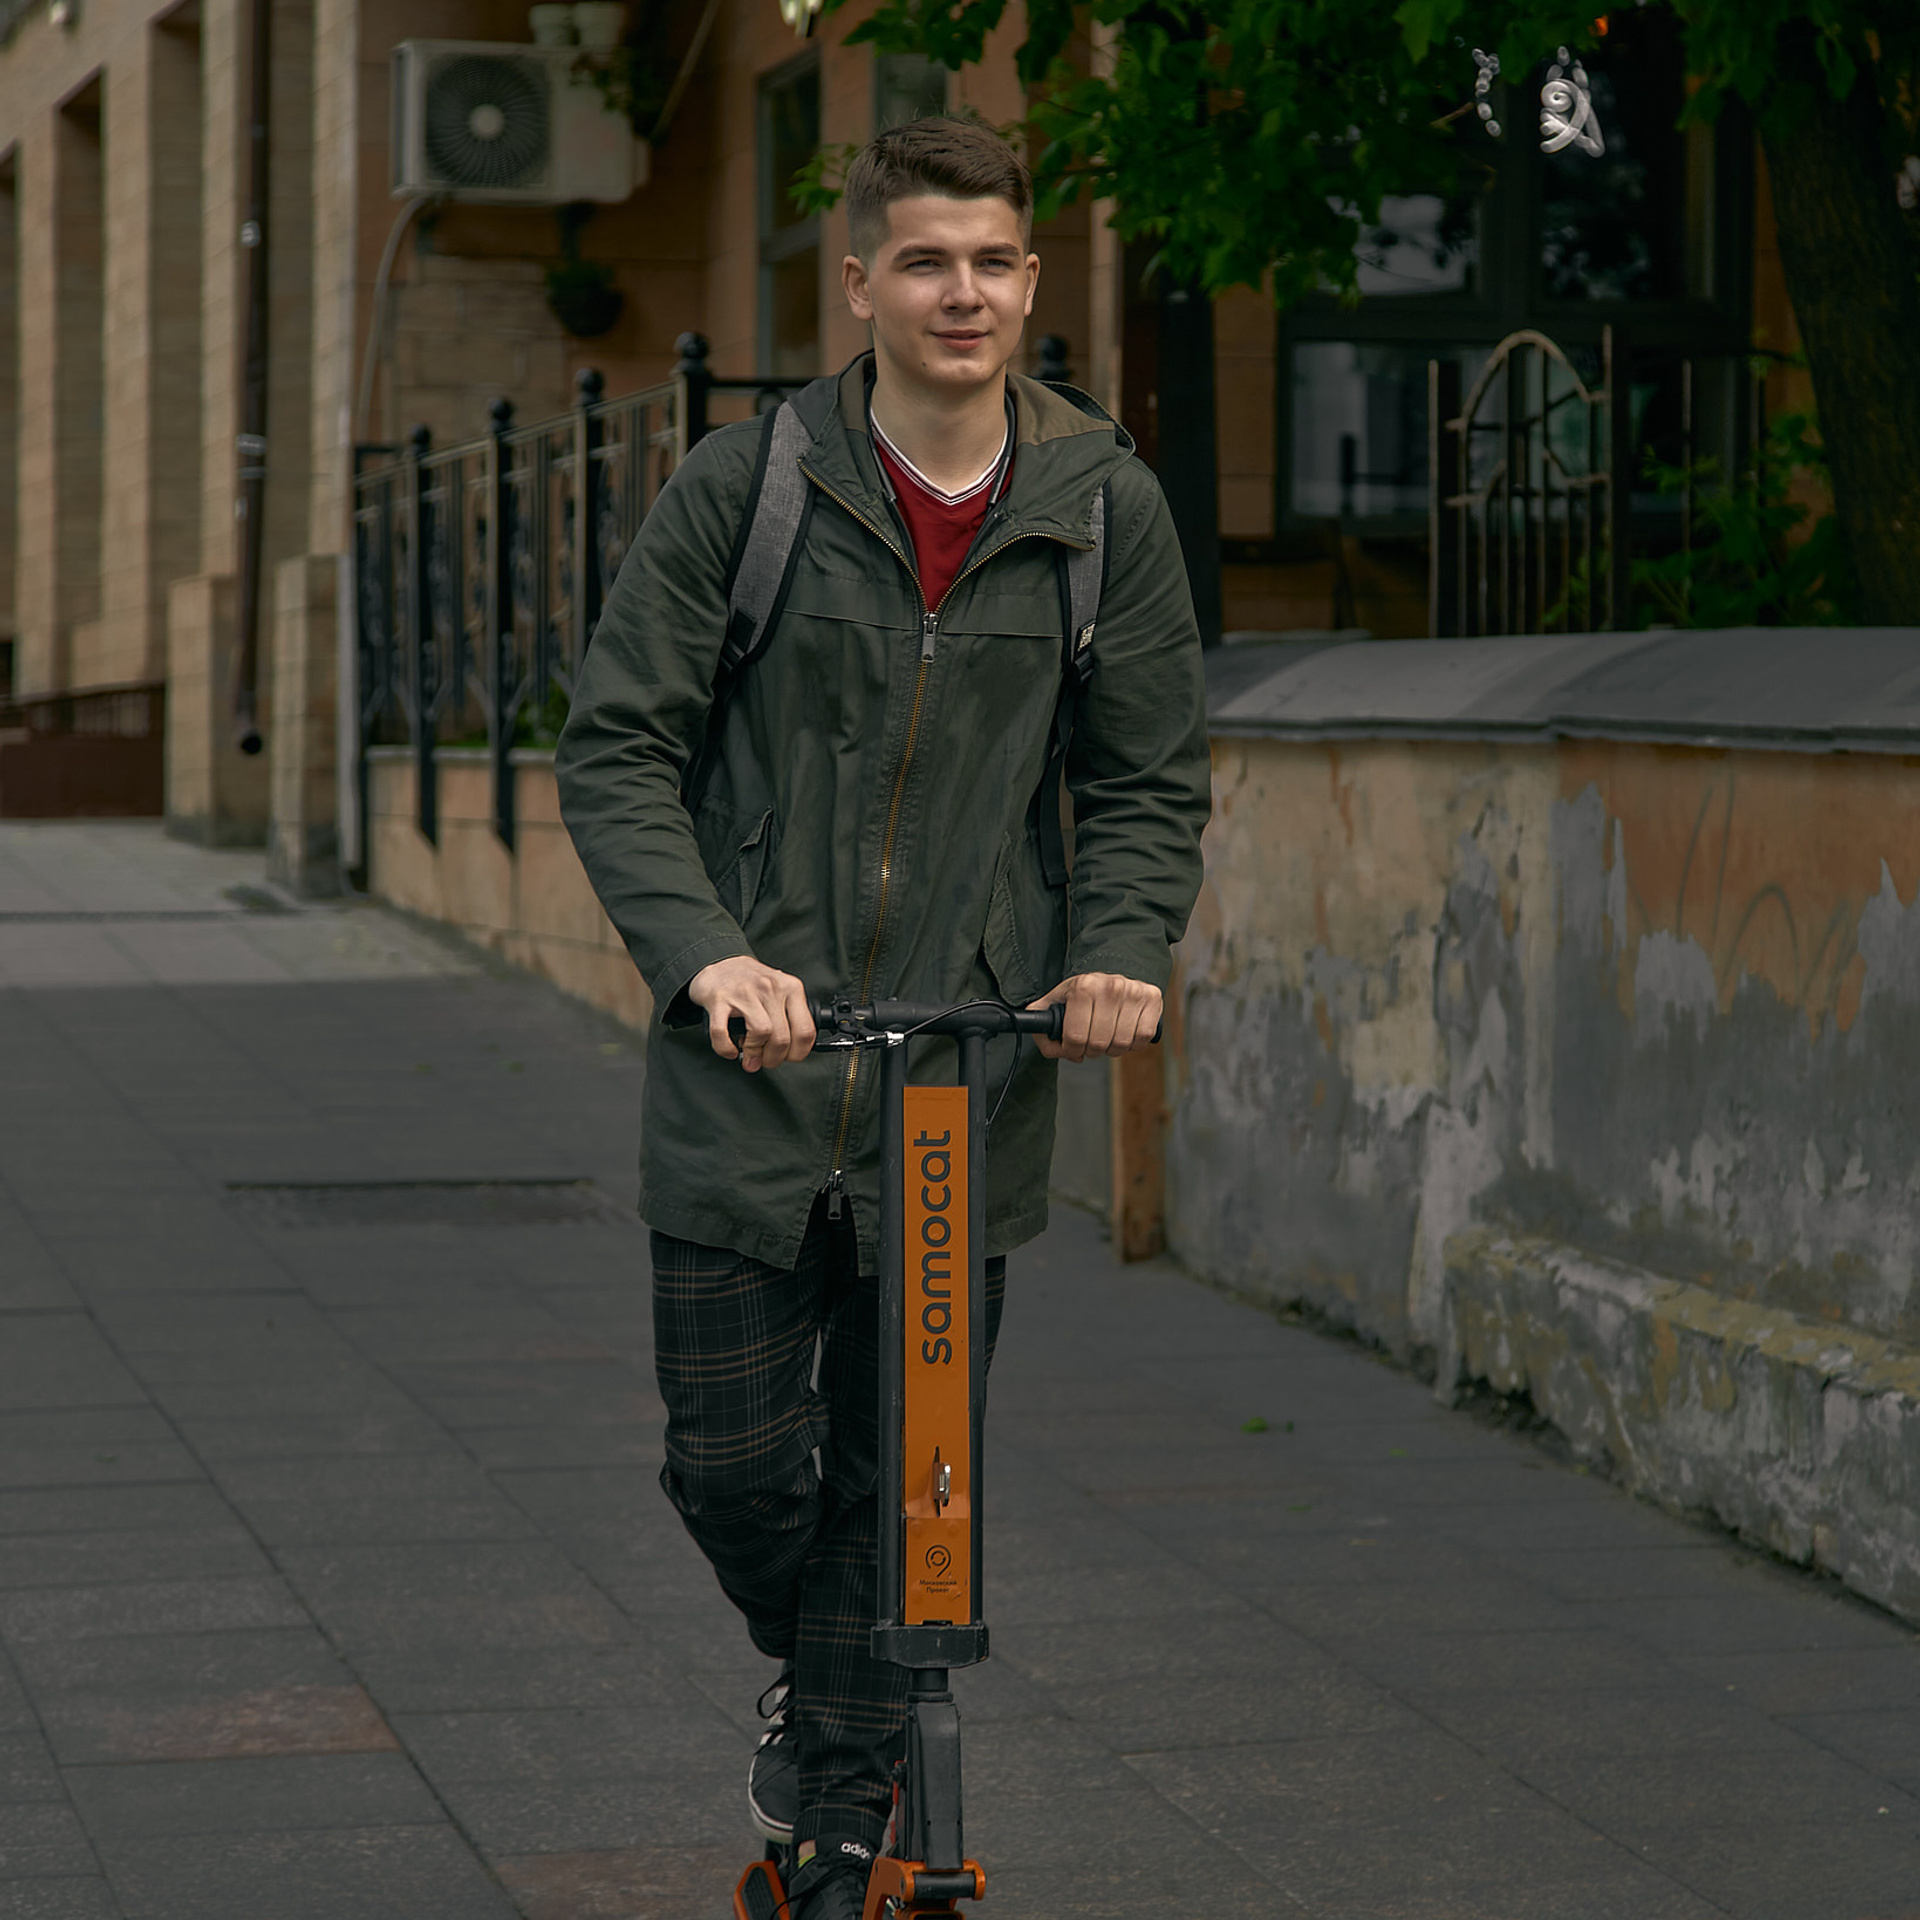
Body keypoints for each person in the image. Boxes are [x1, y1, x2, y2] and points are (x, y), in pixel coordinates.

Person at [556, 116, 1209, 1920]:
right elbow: (619, 748)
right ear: (861, 283)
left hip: (955, 1084)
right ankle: (816, 1678)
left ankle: (837, 1831)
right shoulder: (748, 486)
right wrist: (706, 958)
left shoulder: (1101, 508)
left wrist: (1121, 944)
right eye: (927, 260)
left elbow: (1147, 782)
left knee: (915, 1490)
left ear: (1029, 279)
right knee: (738, 1461)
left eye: (997, 260)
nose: (967, 294)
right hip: (750, 1076)